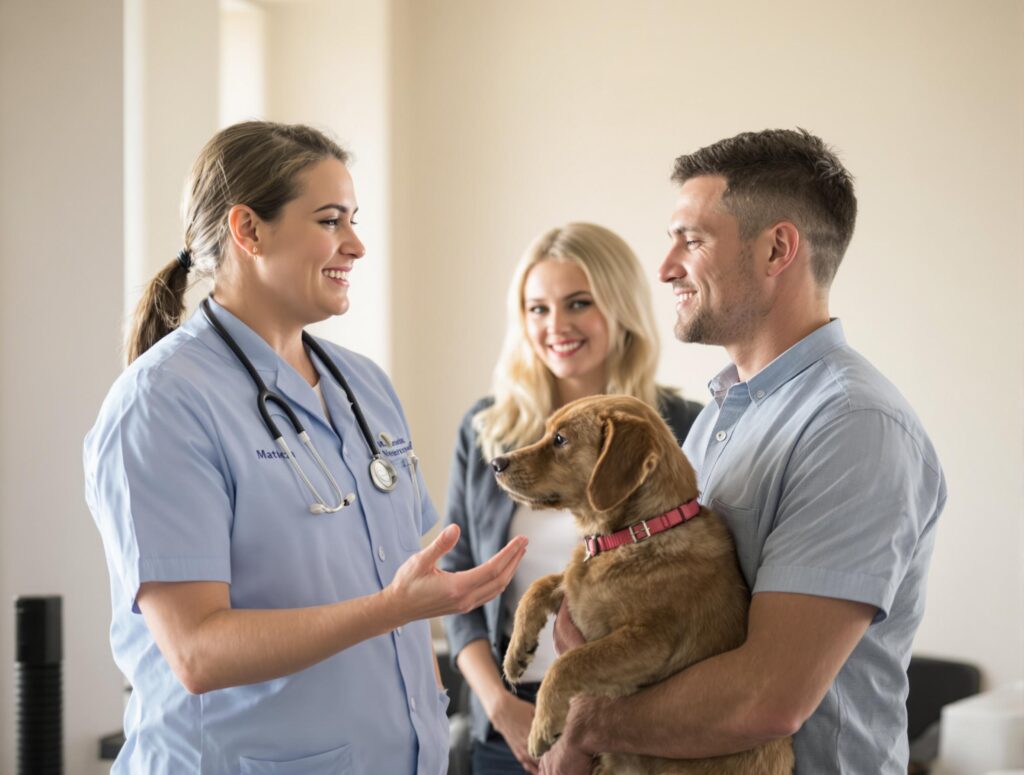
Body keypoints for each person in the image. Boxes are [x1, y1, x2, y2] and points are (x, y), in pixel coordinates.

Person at [83, 121, 527, 774]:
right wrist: (390, 609)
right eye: (330, 220)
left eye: (352, 219)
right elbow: (198, 651)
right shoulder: (163, 403)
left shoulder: (364, 386)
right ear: (248, 229)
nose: (356, 244)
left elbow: (406, 572)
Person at [540, 129, 946, 774]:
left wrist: (587, 726)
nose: (666, 266)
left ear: (778, 248)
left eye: (691, 240)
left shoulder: (854, 426)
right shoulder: (718, 420)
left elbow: (769, 697)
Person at [440, 223, 703, 773]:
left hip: (639, 720)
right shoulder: (486, 431)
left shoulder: (684, 427)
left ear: (620, 309)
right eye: (537, 309)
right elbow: (458, 581)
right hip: (509, 725)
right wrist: (500, 706)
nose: (555, 326)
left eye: (577, 303)